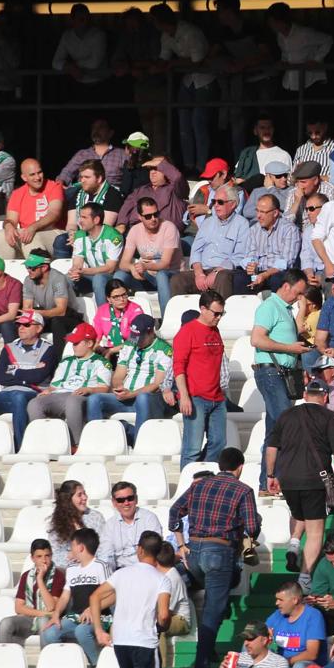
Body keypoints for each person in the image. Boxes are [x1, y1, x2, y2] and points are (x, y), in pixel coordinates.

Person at [169, 448, 261, 668]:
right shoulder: (243, 490)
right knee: (213, 610)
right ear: (239, 467)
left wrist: (181, 545)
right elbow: (253, 527)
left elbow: (174, 512)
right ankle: (200, 667)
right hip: (220, 552)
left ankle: (207, 652)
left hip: (194, 552)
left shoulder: (198, 485)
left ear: (220, 465)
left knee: (211, 598)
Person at [265, 379, 334, 587]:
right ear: (325, 397)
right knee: (316, 532)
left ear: (305, 395)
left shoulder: (286, 415)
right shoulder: (329, 416)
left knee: (298, 514)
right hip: (315, 479)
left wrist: (271, 475)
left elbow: (271, 448)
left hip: (287, 478)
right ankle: (305, 577)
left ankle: (294, 545)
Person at [249, 269, 310, 489]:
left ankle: (268, 481)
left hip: (282, 373)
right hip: (271, 372)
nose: (299, 296)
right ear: (286, 286)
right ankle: (281, 479)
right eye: (298, 292)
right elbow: (256, 339)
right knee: (287, 425)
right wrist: (289, 348)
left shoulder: (285, 309)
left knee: (274, 430)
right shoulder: (269, 307)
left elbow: (298, 331)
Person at [87, 530, 172, 668]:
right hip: (144, 641)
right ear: (157, 553)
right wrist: (162, 627)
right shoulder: (162, 579)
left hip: (121, 640)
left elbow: (95, 597)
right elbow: (164, 615)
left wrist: (99, 631)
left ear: (140, 549)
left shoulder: (121, 573)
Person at [0, 310, 58, 447]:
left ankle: (20, 445)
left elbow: (40, 376)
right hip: (8, 394)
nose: (21, 328)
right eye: (19, 325)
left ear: (39, 328)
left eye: (26, 325)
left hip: (33, 394)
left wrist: (14, 372)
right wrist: (27, 375)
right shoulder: (9, 348)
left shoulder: (49, 349)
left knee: (19, 397)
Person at [86, 314, 171, 444]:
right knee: (94, 399)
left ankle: (138, 442)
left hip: (150, 398)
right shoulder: (129, 344)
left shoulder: (165, 350)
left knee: (143, 398)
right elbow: (119, 374)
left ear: (150, 332)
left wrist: (132, 394)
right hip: (128, 395)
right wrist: (119, 387)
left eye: (140, 338)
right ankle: (98, 442)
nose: (136, 341)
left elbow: (157, 384)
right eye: (134, 336)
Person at [169, 291, 228, 468]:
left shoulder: (215, 331)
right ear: (203, 309)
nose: (218, 317)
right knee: (192, 448)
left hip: (217, 398)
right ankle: (188, 487)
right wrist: (184, 396)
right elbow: (178, 367)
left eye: (221, 314)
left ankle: (202, 478)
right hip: (196, 397)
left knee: (218, 443)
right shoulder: (187, 332)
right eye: (215, 313)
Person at [42, 528, 111, 666]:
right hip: (75, 617)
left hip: (99, 617)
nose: (70, 549)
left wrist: (92, 609)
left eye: (72, 545)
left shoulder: (101, 566)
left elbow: (111, 594)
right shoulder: (72, 568)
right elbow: (65, 596)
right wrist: (56, 614)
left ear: (80, 547)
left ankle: (97, 667)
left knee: (82, 631)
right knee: (49, 633)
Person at [115, 197, 182, 313]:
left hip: (171, 275)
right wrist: (133, 268)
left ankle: (166, 318)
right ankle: (116, 317)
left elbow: (165, 264)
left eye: (156, 214)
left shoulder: (169, 228)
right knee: (119, 275)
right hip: (146, 276)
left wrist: (145, 267)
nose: (153, 219)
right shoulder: (135, 230)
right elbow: (123, 262)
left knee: (161, 275)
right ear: (139, 217)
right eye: (148, 216)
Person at [0, 539, 66, 647]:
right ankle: (4, 661)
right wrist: (43, 613)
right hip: (30, 619)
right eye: (39, 556)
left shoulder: (59, 576)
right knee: (5, 624)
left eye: (47, 556)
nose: (44, 560)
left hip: (50, 619)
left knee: (44, 621)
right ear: (32, 558)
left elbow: (51, 607)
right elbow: (19, 608)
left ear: (51, 556)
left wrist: (40, 580)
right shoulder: (26, 576)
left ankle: (46, 661)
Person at [0, 158, 65, 260]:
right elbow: (11, 219)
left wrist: (33, 228)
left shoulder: (54, 187)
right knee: (1, 235)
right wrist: (8, 226)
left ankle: (38, 273)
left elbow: (54, 214)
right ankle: (5, 274)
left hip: (55, 233)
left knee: (32, 238)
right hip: (27, 233)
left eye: (40, 172)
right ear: (24, 177)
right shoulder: (17, 193)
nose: (37, 177)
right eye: (32, 174)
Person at [267, 580, 330, 668]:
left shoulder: (313, 616)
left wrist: (284, 663)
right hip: (281, 663)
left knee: (299, 667)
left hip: (307, 665)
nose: (276, 603)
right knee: (250, 643)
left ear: (295, 600)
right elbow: (261, 634)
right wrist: (265, 637)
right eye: (276, 599)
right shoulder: (278, 615)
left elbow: (312, 654)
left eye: (280, 600)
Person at [241, 194, 302, 294]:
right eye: (257, 211)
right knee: (239, 278)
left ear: (275, 213)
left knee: (277, 279)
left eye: (263, 212)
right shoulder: (254, 229)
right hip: (259, 270)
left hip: (278, 272)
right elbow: (250, 254)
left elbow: (286, 262)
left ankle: (276, 307)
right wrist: (251, 265)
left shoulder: (289, 230)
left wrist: (265, 274)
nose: (258, 216)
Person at [69, 202, 124, 306]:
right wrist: (75, 270)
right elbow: (77, 261)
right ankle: (69, 317)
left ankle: (103, 316)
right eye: (80, 217)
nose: (80, 221)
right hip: (90, 275)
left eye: (84, 217)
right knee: (65, 279)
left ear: (96, 220)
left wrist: (84, 271)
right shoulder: (79, 235)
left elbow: (110, 268)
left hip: (112, 277)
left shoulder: (114, 237)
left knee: (99, 278)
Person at [101, 481, 163, 571]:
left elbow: (155, 550)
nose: (126, 503)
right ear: (114, 503)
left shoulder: (149, 519)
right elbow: (106, 556)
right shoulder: (110, 525)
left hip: (146, 570)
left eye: (130, 498)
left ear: (136, 499)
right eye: (120, 500)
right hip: (120, 571)